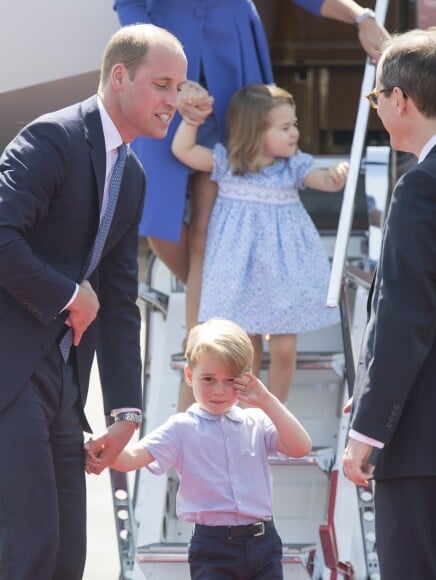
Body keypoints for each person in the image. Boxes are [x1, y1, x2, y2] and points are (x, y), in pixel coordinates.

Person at [0, 24, 187, 580]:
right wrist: (69, 294)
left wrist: (124, 412)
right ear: (119, 77)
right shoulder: (51, 138)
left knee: (66, 559)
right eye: (162, 85)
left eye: (179, 88)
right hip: (0, 365)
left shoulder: (131, 175)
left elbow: (118, 300)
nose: (173, 102)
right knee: (31, 552)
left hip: (60, 377)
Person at [113, 0, 390, 337]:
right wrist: (165, 72)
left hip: (233, 58)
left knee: (206, 227)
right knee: (154, 215)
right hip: (162, 55)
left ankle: (204, 350)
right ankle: (236, 311)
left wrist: (361, 16)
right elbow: (128, 4)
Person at [85, 317, 312, 579]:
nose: (219, 390)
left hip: (265, 543)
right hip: (213, 547)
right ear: (190, 376)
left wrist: (267, 400)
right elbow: (132, 458)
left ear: (246, 379)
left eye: (230, 381)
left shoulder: (257, 421)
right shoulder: (181, 427)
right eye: (209, 379)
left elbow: (300, 447)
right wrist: (100, 449)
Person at [172, 84, 348, 404]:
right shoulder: (227, 164)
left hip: (282, 275)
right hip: (241, 273)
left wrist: (334, 177)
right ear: (256, 131)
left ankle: (273, 412)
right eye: (285, 127)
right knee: (245, 348)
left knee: (283, 349)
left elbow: (321, 180)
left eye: (295, 125)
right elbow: (183, 151)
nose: (294, 133)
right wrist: (193, 120)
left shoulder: (292, 167)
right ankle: (243, 414)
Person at [342, 29, 436, 579]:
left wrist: (369, 430)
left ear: (400, 98)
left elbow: (407, 319)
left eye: (376, 97)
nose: (378, 108)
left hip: (422, 445)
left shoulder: (421, 186)